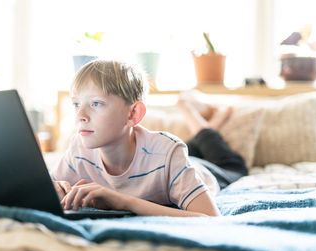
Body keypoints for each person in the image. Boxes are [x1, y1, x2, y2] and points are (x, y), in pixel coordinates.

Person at [51, 59, 224, 217]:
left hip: (214, 169)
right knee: (193, 145)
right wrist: (56, 190)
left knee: (211, 145)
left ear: (133, 113)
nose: (80, 115)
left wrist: (121, 201)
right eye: (76, 104)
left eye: (96, 103)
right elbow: (51, 187)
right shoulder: (78, 150)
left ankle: (213, 113)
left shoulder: (168, 153)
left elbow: (211, 218)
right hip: (169, 159)